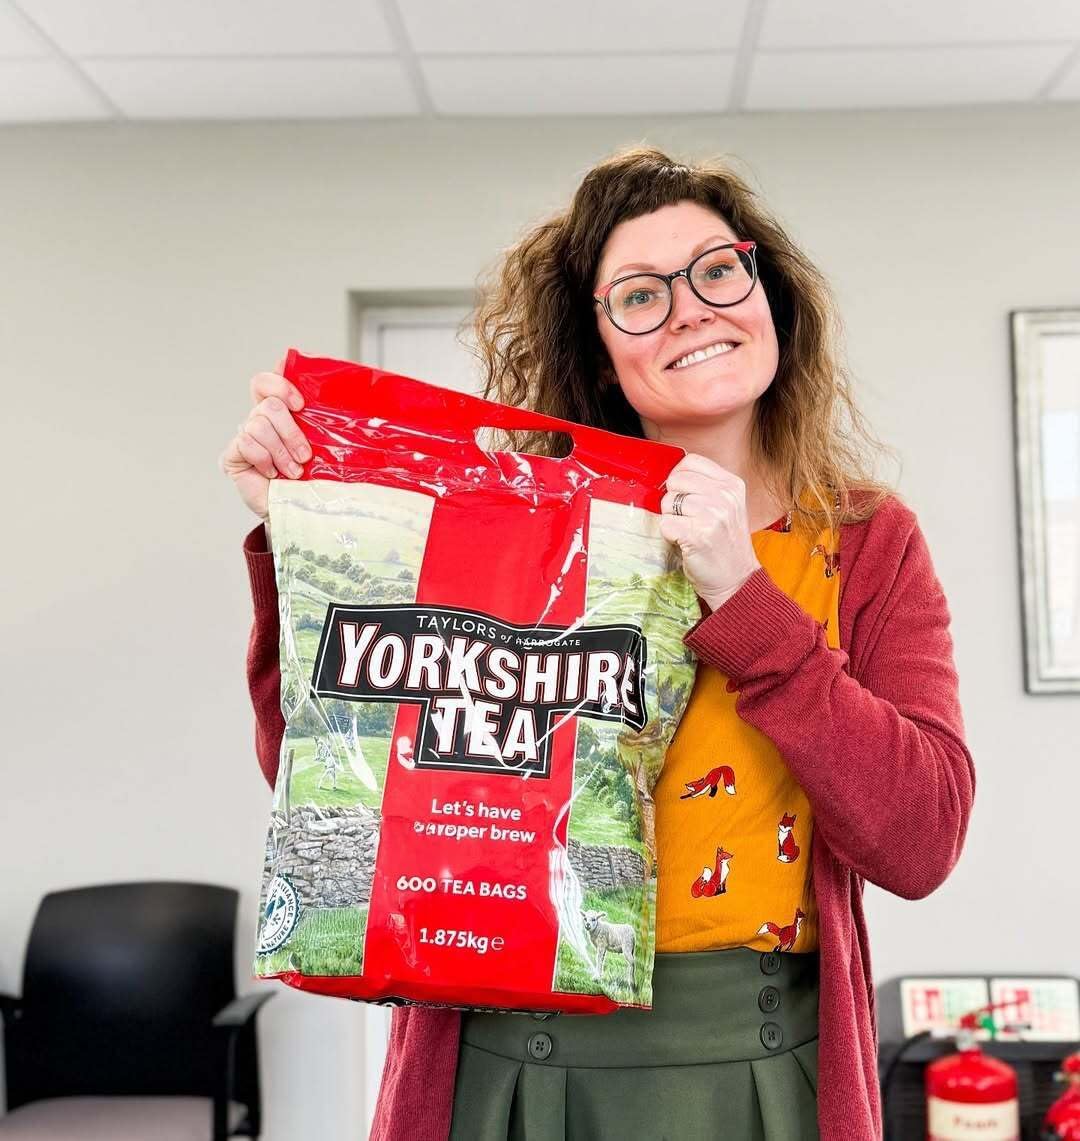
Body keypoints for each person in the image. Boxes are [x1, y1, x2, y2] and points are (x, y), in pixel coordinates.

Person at [220, 146, 975, 1140]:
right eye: (641, 296)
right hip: (503, 1067)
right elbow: (336, 788)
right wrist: (302, 540)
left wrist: (746, 601)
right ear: (601, 349)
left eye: (717, 270)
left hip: (762, 1075)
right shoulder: (512, 525)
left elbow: (920, 840)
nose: (691, 310)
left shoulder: (868, 540)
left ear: (769, 294)